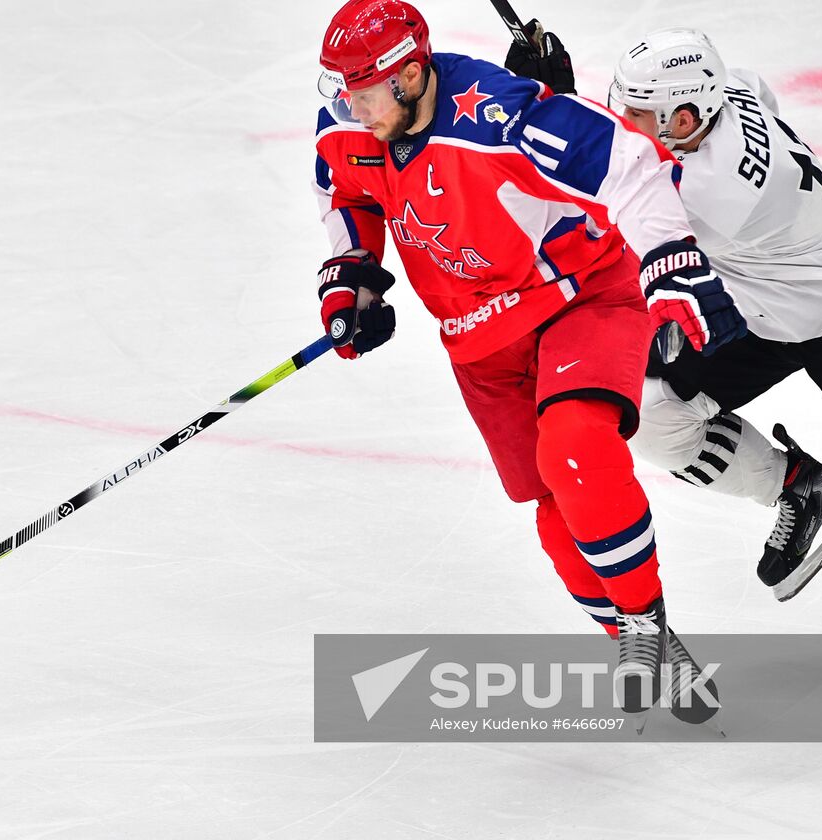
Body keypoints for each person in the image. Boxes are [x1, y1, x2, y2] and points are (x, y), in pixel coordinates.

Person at [311, 0, 746, 719]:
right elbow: (347, 192)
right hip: (478, 340)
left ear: (412, 74)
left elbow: (630, 164)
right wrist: (351, 274)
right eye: (341, 92)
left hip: (578, 298)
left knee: (576, 447)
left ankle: (639, 618)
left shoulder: (498, 116)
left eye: (361, 90)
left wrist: (670, 266)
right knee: (550, 506)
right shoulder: (352, 119)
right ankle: (643, 640)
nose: (348, 107)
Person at [510, 25, 822, 605]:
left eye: (639, 112)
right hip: (765, 298)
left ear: (683, 118)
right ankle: (802, 488)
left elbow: (607, 208)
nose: (622, 119)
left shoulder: (716, 195)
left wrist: (541, 103)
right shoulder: (729, 94)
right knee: (653, 416)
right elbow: (664, 145)